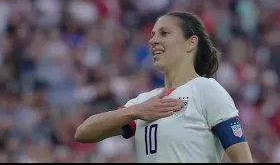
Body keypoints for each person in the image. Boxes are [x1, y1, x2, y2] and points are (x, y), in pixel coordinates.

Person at [75, 11, 253, 163]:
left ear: (191, 43)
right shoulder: (144, 102)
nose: (153, 41)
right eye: (152, 35)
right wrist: (135, 111)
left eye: (164, 33)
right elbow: (84, 132)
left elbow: (243, 159)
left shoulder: (206, 90)